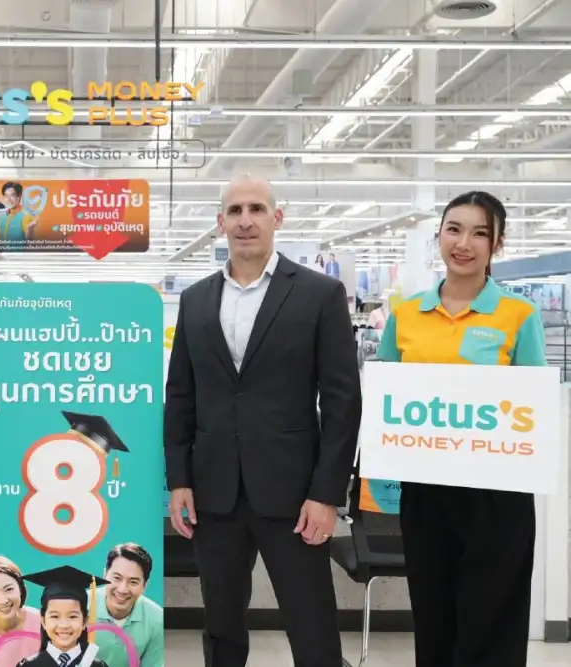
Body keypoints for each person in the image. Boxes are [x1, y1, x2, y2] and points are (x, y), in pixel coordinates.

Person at [164, 176, 361, 667]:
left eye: (256, 209)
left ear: (277, 218)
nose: (245, 220)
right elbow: (181, 396)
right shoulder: (196, 299)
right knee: (221, 625)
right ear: (220, 223)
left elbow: (343, 401)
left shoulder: (319, 294)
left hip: (294, 494)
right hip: (214, 493)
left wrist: (327, 494)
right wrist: (179, 480)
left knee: (312, 626)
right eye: (234, 211)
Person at [375, 191, 545, 667]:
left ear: (497, 245)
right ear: (439, 236)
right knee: (434, 617)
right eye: (453, 229)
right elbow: (386, 396)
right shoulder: (406, 315)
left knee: (493, 622)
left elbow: (533, 407)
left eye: (480, 233)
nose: (463, 243)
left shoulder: (519, 316)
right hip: (426, 491)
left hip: (498, 495)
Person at [17, 566, 111, 667]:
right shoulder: (28, 665)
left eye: (72, 616)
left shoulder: (97, 666)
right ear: (43, 621)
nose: (64, 625)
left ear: (84, 621)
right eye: (55, 616)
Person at [93, 544, 164, 667]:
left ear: (145, 585)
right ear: (104, 575)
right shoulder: (77, 606)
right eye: (117, 578)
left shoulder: (157, 619)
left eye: (133, 582)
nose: (122, 589)